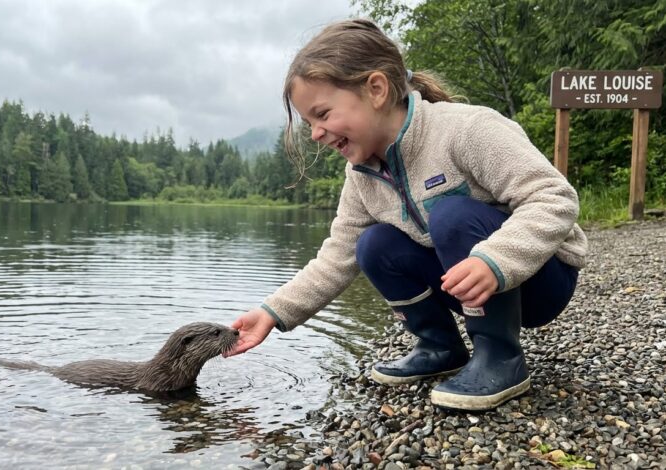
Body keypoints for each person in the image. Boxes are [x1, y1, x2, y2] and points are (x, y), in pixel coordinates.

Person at [225, 18, 587, 411]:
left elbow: (555, 198)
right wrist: (272, 313)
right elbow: (335, 258)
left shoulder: (466, 129)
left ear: (376, 89)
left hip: (539, 280)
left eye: (323, 114)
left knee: (451, 215)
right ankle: (439, 346)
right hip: (466, 285)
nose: (315, 133)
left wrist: (495, 260)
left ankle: (500, 357)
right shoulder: (362, 174)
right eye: (310, 123)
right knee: (372, 244)